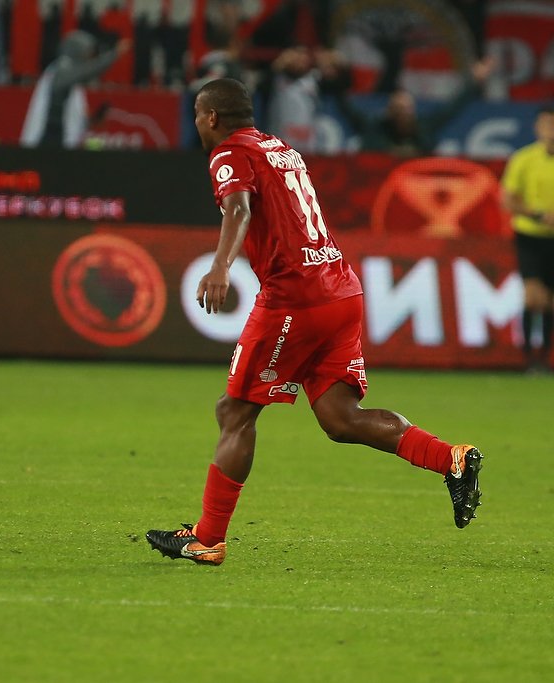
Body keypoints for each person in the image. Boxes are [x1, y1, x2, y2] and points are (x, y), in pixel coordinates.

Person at [145, 78, 483, 566]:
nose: (197, 124)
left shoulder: (229, 152)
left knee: (234, 413)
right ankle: (451, 459)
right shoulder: (281, 148)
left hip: (295, 298)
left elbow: (238, 207)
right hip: (340, 288)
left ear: (212, 117)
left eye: (198, 115)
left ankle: (208, 537)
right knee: (340, 419)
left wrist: (220, 266)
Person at [333, 59, 493, 157]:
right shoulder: (374, 128)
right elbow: (346, 109)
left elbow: (453, 108)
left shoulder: (424, 127)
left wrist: (474, 82)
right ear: (391, 113)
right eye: (400, 110)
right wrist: (334, 78)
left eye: (409, 109)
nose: (406, 114)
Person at [501, 105, 554, 373]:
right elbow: (507, 200)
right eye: (547, 125)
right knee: (533, 297)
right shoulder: (524, 159)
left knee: (550, 301)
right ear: (537, 128)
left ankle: (543, 358)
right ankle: (528, 357)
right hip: (530, 236)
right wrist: (537, 214)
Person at [20, 31, 131, 149]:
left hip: (61, 139)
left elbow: (73, 118)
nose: (88, 59)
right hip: (45, 138)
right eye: (87, 53)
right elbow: (88, 71)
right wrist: (115, 53)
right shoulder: (60, 70)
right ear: (77, 51)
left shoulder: (74, 82)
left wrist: (93, 120)